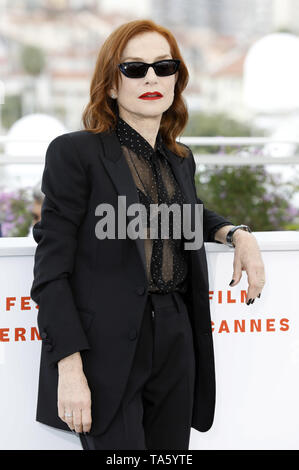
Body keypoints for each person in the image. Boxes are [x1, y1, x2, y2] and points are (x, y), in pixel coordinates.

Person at [30, 19, 265, 451]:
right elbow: (50, 272)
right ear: (112, 85)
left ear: (177, 79)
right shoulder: (75, 153)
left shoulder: (179, 158)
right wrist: (69, 368)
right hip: (105, 349)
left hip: (176, 335)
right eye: (134, 68)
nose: (152, 77)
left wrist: (237, 234)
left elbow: (187, 213)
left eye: (164, 66)